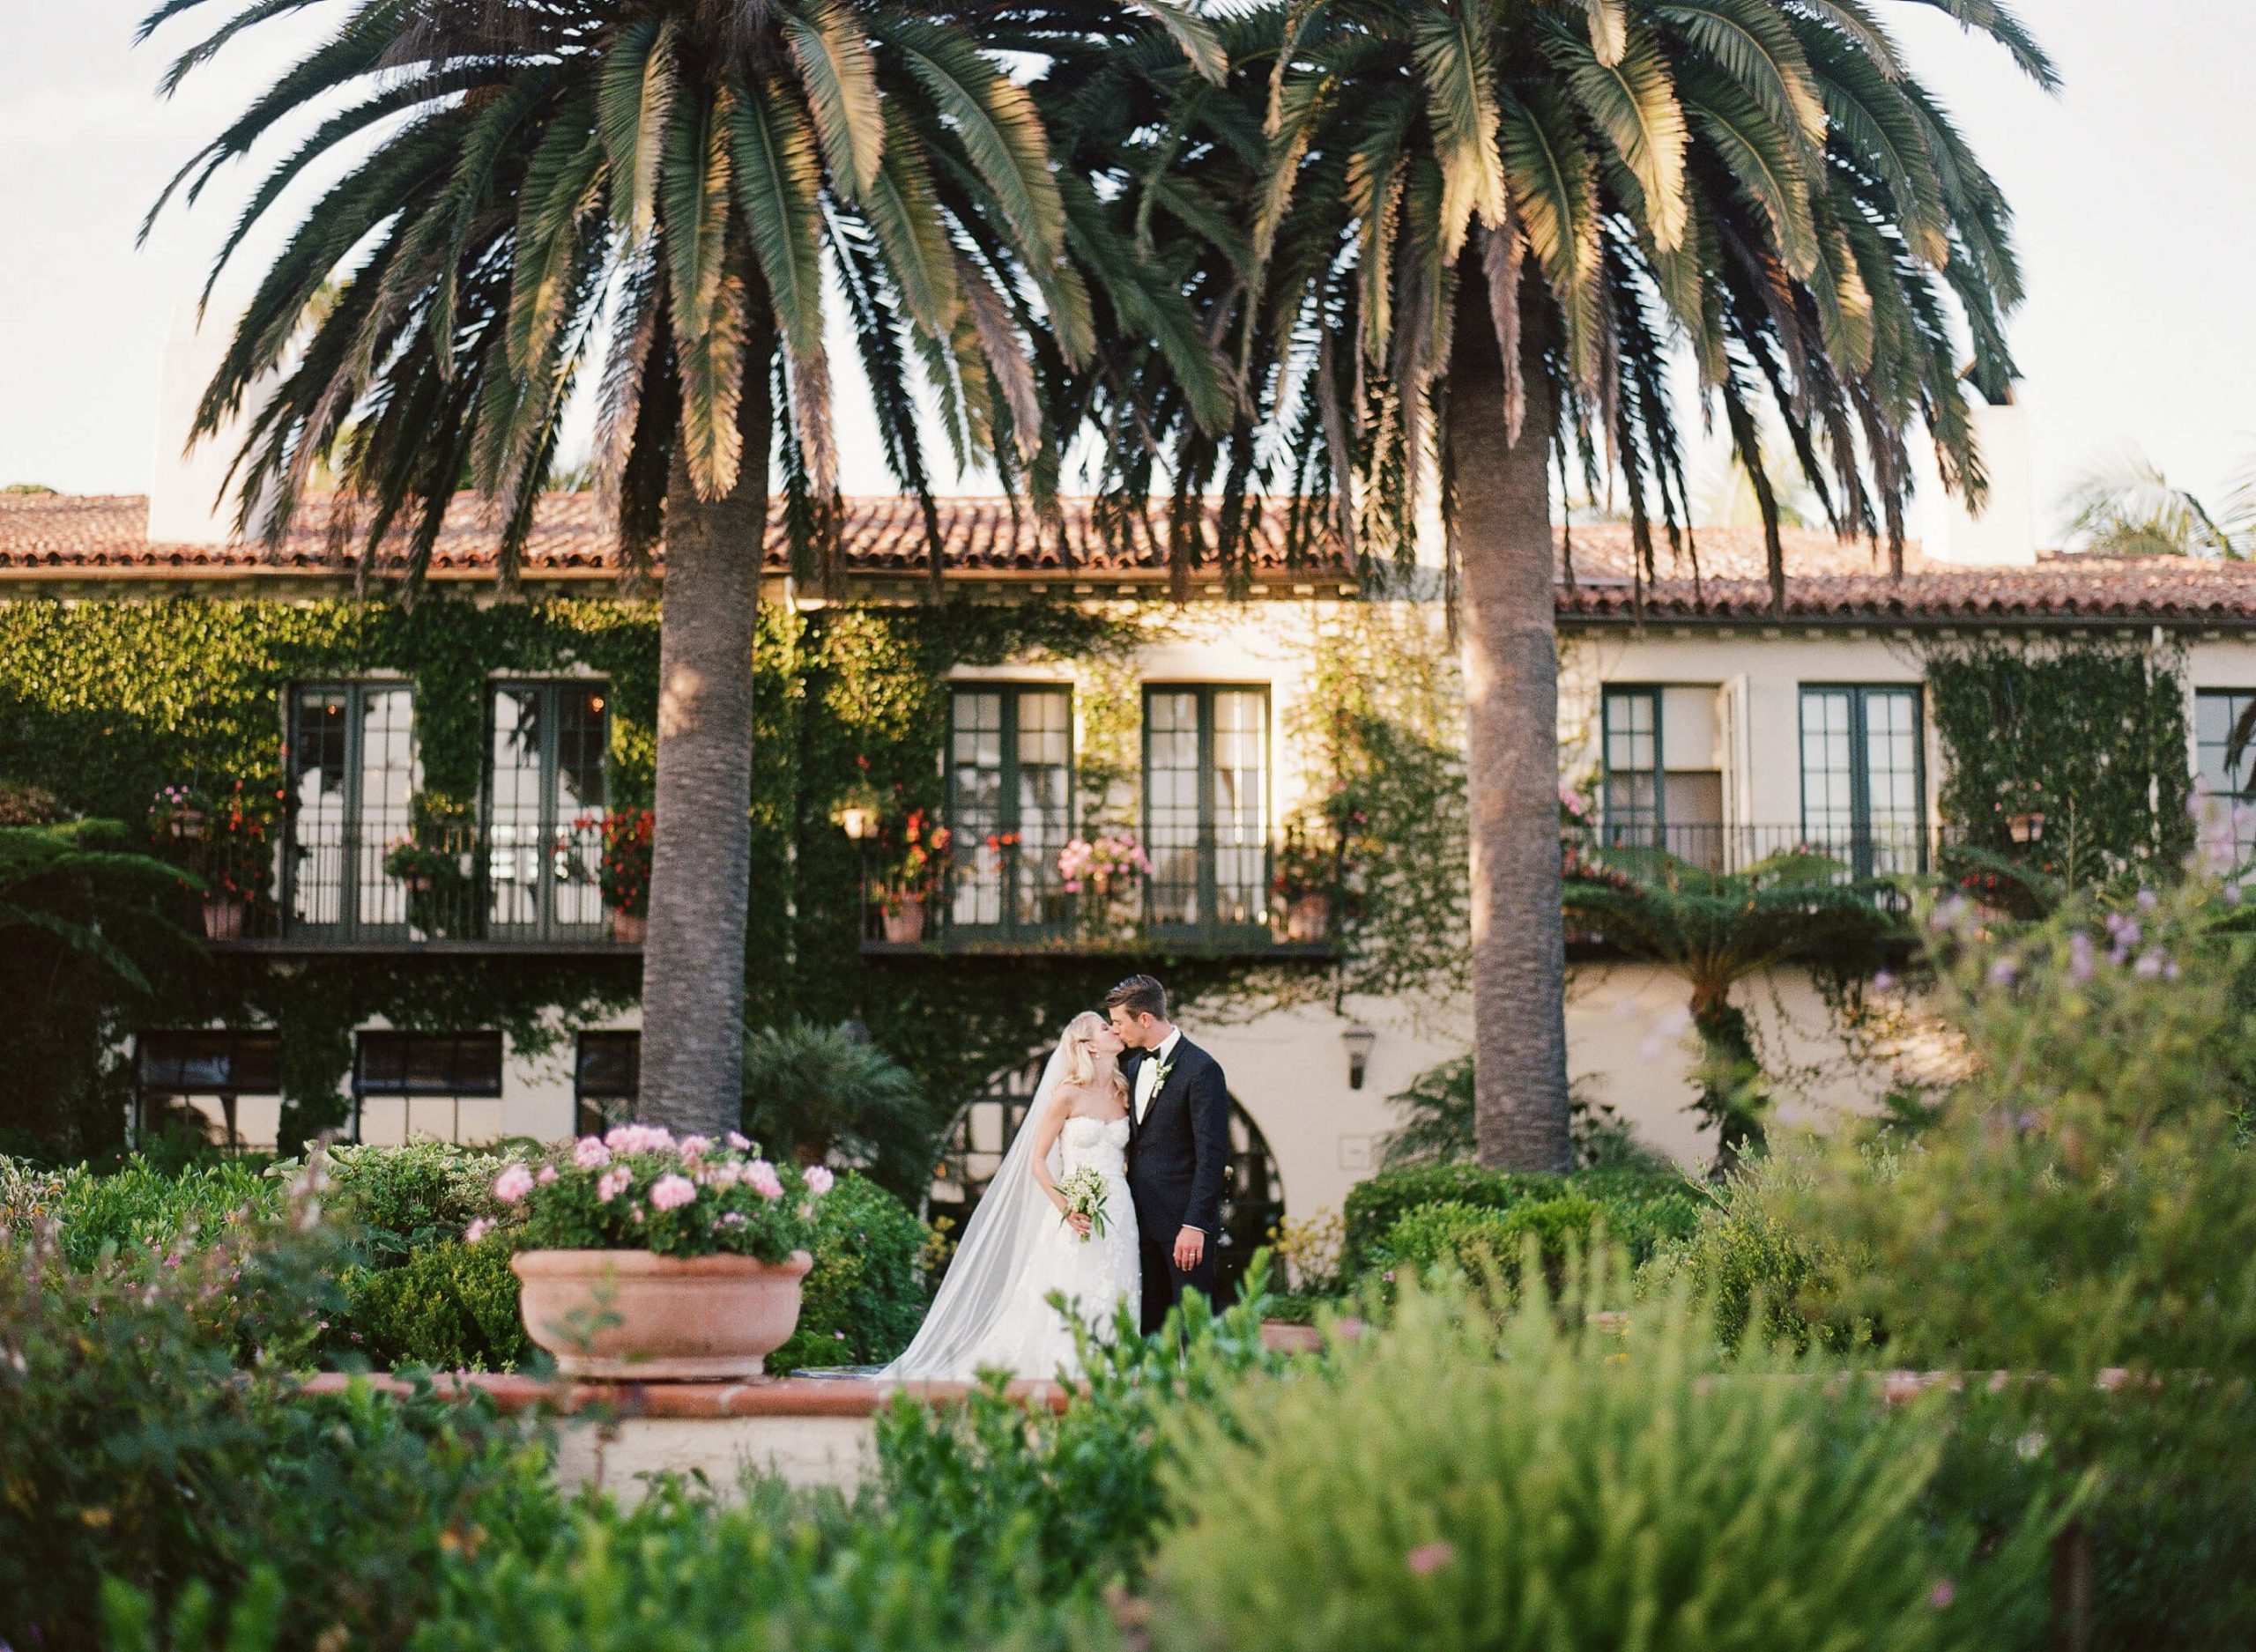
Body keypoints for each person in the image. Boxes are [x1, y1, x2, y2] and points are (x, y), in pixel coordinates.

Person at [879, 1011, 1140, 1380]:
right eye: (1104, 1027)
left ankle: (1112, 1364)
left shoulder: (1124, 1091)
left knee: (1116, 1282)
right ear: (1088, 1046)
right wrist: (1068, 1206)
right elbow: (1037, 1161)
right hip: (1073, 1209)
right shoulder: (1066, 1094)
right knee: (1072, 1284)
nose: (1114, 1029)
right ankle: (1065, 1368)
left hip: (1119, 1206)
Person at [1104, 974, 1231, 1336]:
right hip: (1137, 1220)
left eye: (1119, 1023)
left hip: (1182, 1226)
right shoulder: (1133, 1066)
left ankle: (1200, 1393)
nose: (1116, 1032)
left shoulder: (1202, 1069)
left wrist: (1194, 1225)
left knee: (1194, 1329)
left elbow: (1212, 1154)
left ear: (1144, 1019)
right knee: (1150, 1327)